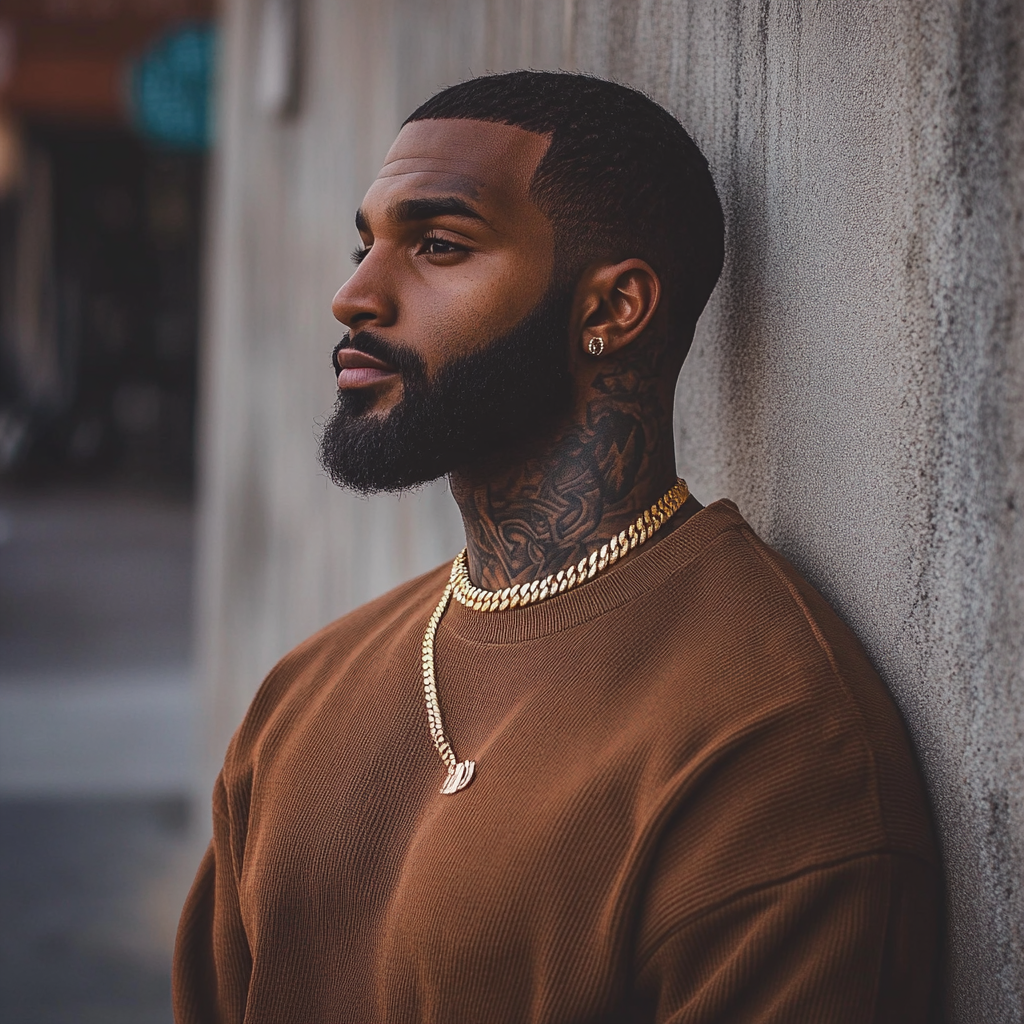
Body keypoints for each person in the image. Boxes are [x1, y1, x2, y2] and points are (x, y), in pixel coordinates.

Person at [173, 71, 941, 1023]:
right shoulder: (302, 696)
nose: (353, 295)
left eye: (438, 246)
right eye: (365, 244)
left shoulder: (771, 739)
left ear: (612, 309)